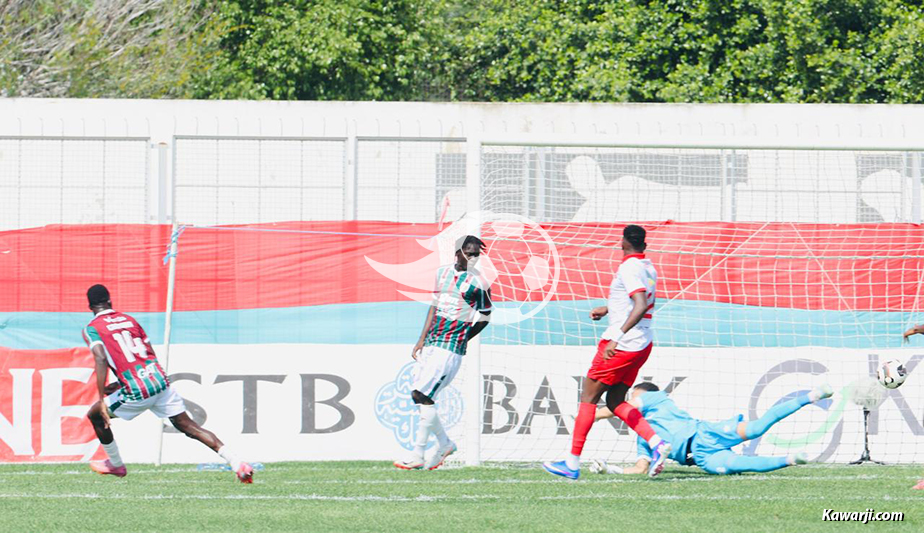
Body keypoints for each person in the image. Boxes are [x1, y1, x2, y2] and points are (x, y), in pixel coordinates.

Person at [82, 284, 253, 483]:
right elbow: (146, 352)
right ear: (110, 300)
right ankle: (237, 462)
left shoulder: (92, 328)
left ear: (90, 306)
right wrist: (124, 382)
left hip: (138, 390)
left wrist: (101, 396)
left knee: (95, 415)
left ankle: (116, 464)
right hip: (159, 380)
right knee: (187, 425)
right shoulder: (129, 320)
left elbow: (100, 358)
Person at [544, 225, 671, 480]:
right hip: (642, 343)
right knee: (615, 401)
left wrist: (617, 336)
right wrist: (608, 308)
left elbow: (640, 303)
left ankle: (571, 462)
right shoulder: (647, 266)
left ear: (622, 242)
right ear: (643, 245)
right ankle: (657, 443)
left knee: (588, 399)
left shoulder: (628, 267)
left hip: (623, 344)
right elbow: (634, 302)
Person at [394, 235, 492, 471]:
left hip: (450, 349)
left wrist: (465, 336)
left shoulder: (480, 284)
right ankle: (445, 444)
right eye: (469, 252)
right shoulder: (442, 274)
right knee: (418, 396)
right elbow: (434, 307)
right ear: (457, 252)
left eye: (477, 254)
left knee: (423, 395)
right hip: (431, 344)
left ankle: (418, 454)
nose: (473, 258)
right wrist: (421, 340)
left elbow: (486, 317)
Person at [588, 382, 833, 476]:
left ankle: (810, 396)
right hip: (702, 457)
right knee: (738, 466)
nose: (630, 402)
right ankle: (790, 460)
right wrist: (610, 469)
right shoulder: (643, 435)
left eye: (633, 396)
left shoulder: (656, 399)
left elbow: (621, 408)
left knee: (757, 427)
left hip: (706, 432)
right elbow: (640, 468)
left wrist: (594, 416)